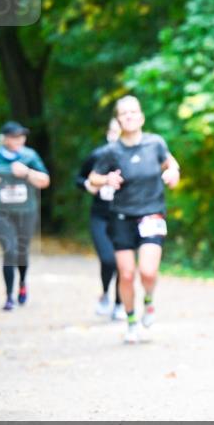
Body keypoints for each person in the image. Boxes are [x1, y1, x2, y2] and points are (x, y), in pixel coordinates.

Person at [88, 96, 180, 344]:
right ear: (118, 120)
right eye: (123, 113)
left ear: (141, 117)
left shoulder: (155, 143)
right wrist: (106, 180)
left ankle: (148, 301)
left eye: (133, 112)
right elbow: (93, 178)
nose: (128, 116)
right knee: (126, 275)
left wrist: (173, 173)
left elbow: (171, 164)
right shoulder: (111, 151)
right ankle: (130, 321)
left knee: (147, 271)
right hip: (121, 216)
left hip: (152, 212)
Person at [0, 121, 51, 311]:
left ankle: (22, 283)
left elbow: (45, 180)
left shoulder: (30, 156)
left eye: (22, 136)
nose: (20, 140)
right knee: (9, 251)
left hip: (26, 212)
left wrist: (27, 172)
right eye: (15, 137)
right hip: (1, 211)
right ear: (5, 139)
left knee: (21, 252)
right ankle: (9, 296)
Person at [77, 118, 125, 320]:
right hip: (100, 216)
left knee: (124, 262)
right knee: (108, 259)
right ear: (108, 134)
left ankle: (119, 303)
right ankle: (105, 294)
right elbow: (79, 179)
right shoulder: (97, 156)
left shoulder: (134, 158)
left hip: (124, 217)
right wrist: (90, 186)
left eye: (121, 132)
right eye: (114, 132)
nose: (117, 137)